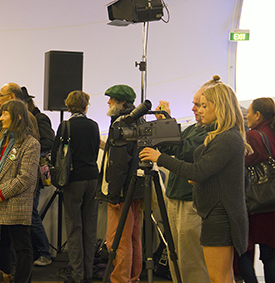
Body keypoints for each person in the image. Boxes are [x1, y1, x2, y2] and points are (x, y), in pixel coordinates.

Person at [139, 77, 251, 283]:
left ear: (220, 107)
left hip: (218, 214)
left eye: (203, 105)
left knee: (214, 275)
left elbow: (197, 169)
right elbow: (207, 172)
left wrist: (159, 158)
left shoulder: (226, 138)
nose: (198, 110)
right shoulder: (218, 135)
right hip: (214, 211)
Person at [0, 82, 39, 269]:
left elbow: (26, 177)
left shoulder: (30, 144)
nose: (0, 118)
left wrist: (0, 194)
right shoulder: (2, 140)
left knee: (22, 249)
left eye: (4, 114)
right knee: (3, 247)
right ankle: (2, 276)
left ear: (17, 117)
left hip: (15, 204)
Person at [155, 83, 212, 283]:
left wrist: (159, 155)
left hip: (190, 201)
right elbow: (174, 147)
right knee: (175, 256)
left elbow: (184, 151)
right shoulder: (194, 129)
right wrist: (167, 123)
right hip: (175, 197)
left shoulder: (211, 133)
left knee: (192, 261)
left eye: (200, 105)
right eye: (195, 104)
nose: (194, 109)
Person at [51, 90, 100, 283]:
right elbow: (95, 150)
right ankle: (88, 272)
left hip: (73, 179)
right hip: (92, 177)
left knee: (74, 227)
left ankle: (77, 275)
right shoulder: (94, 125)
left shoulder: (65, 126)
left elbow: (56, 153)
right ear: (86, 105)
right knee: (90, 228)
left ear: (68, 106)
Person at [97, 84, 143, 283]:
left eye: (112, 99)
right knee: (133, 237)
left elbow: (119, 164)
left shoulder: (120, 124)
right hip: (137, 190)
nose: (108, 102)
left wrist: (113, 195)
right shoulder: (139, 120)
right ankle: (133, 277)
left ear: (122, 102)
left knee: (117, 241)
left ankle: (120, 279)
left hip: (122, 192)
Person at [237, 97, 275, 283]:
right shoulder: (272, 132)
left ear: (258, 115)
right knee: (271, 255)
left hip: (256, 205)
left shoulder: (253, 137)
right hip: (272, 204)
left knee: (242, 251)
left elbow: (241, 164)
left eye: (249, 112)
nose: (247, 116)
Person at [23, 86, 54, 267]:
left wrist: (27, 151)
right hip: (31, 170)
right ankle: (40, 251)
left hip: (34, 172)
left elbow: (48, 142)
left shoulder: (40, 119)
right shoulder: (34, 118)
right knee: (30, 213)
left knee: (31, 214)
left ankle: (44, 252)